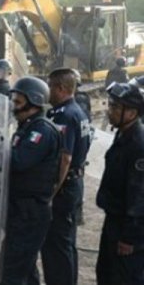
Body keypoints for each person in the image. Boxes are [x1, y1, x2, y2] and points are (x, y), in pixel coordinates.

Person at [1, 76, 62, 284]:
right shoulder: (27, 126)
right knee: (25, 268)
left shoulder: (41, 130)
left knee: (12, 272)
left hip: (31, 211)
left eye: (18, 102)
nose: (13, 107)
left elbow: (18, 161)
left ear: (34, 102)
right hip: (21, 208)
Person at [42, 68, 91, 285]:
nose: (47, 91)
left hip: (65, 187)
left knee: (57, 245)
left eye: (50, 86)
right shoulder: (77, 111)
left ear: (61, 89)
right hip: (73, 183)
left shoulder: (65, 115)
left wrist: (52, 192)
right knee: (67, 244)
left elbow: (65, 158)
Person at [96, 82, 144, 284]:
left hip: (128, 227)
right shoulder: (123, 133)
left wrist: (129, 238)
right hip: (114, 220)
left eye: (116, 107)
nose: (110, 111)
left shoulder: (138, 145)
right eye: (111, 105)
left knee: (123, 278)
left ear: (132, 112)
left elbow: (139, 196)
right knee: (106, 273)